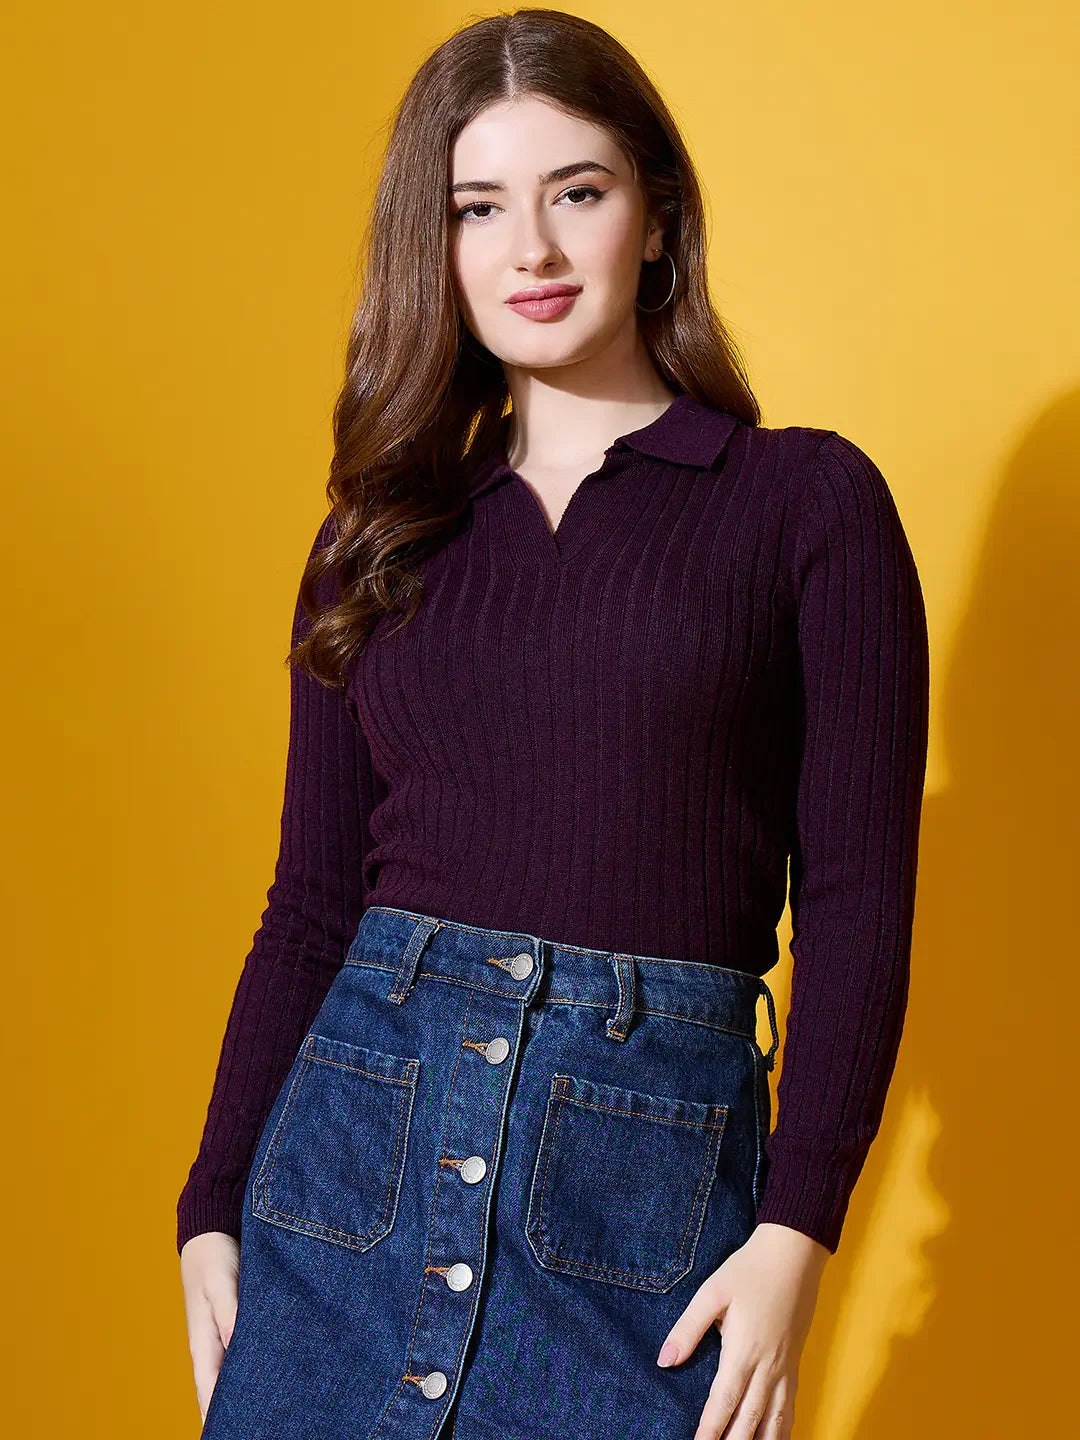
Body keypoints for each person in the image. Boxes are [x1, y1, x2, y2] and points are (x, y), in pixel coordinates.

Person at [176, 9, 930, 1439]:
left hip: (635, 1195)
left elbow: (856, 898)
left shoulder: (804, 505)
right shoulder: (379, 537)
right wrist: (212, 1202)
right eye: (479, 208)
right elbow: (311, 903)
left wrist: (797, 1231)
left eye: (576, 192)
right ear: (437, 244)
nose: (530, 249)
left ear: (655, 218)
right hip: (344, 1173)